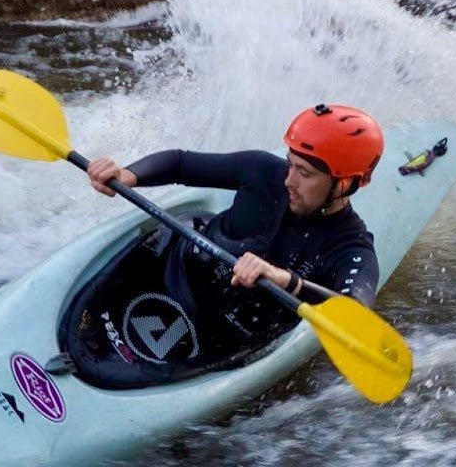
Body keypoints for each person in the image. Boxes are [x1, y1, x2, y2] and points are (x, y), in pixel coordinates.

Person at [81, 103, 384, 369]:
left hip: (222, 339)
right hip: (173, 273)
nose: (288, 180)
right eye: (291, 164)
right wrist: (127, 176)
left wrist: (288, 282)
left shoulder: (350, 247)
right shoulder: (264, 171)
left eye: (305, 174)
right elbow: (180, 163)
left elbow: (356, 316)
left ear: (344, 185)